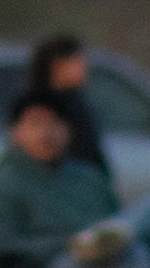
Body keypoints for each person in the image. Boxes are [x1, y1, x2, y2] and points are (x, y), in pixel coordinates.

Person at [0, 92, 150, 268]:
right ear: (15, 131)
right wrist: (72, 244)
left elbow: (110, 221)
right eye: (35, 124)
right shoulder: (1, 181)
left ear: (69, 130)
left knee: (144, 236)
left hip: (105, 262)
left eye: (54, 123)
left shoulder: (89, 177)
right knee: (125, 263)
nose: (46, 133)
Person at [28, 34, 107, 173]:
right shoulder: (41, 107)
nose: (84, 68)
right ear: (57, 64)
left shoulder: (75, 100)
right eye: (77, 62)